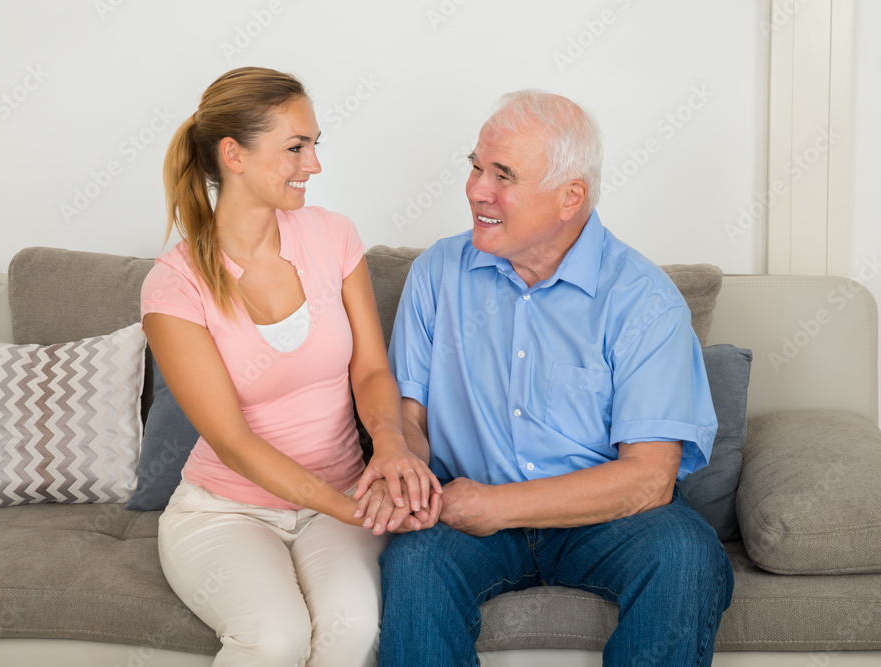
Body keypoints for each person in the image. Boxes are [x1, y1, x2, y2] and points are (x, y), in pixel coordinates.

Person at [376, 90, 734, 666]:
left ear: (571, 197)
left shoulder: (643, 299)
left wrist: (500, 505)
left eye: (503, 175)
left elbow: (648, 480)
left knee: (685, 554)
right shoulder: (436, 275)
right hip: (464, 510)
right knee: (414, 562)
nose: (475, 189)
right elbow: (406, 417)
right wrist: (409, 470)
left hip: (602, 518)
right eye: (474, 166)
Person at [139, 66, 439, 667]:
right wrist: (351, 507)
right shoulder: (175, 286)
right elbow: (231, 440)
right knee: (274, 636)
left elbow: (372, 373)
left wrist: (389, 446)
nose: (314, 165)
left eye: (314, 145)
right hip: (226, 510)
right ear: (235, 155)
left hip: (344, 493)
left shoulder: (333, 236)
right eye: (296, 148)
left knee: (353, 626)